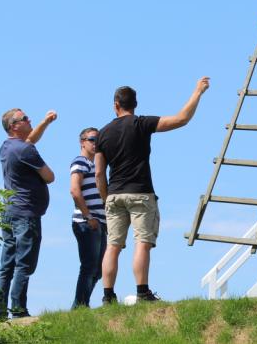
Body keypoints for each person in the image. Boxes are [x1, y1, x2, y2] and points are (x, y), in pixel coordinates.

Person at [95, 77, 210, 303]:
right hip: (140, 192)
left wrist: (105, 198)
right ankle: (142, 291)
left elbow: (99, 173)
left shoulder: (103, 133)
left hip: (114, 194)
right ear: (135, 105)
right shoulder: (141, 123)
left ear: (115, 105)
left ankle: (108, 296)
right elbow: (181, 119)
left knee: (113, 246)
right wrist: (198, 92)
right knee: (142, 243)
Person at [0, 109, 56, 319]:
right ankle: (19, 309)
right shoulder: (26, 151)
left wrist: (45, 122)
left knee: (6, 264)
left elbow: (29, 140)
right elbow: (49, 176)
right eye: (25, 119)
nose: (29, 121)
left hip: (10, 212)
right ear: (14, 126)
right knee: (24, 264)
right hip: (26, 214)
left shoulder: (6, 146)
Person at [69, 127, 106, 309]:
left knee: (98, 270)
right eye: (92, 139)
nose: (95, 143)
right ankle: (79, 306)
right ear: (82, 142)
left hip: (100, 222)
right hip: (87, 222)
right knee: (89, 266)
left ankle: (82, 305)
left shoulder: (96, 165)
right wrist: (88, 216)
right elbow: (75, 190)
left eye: (98, 140)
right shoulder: (80, 162)